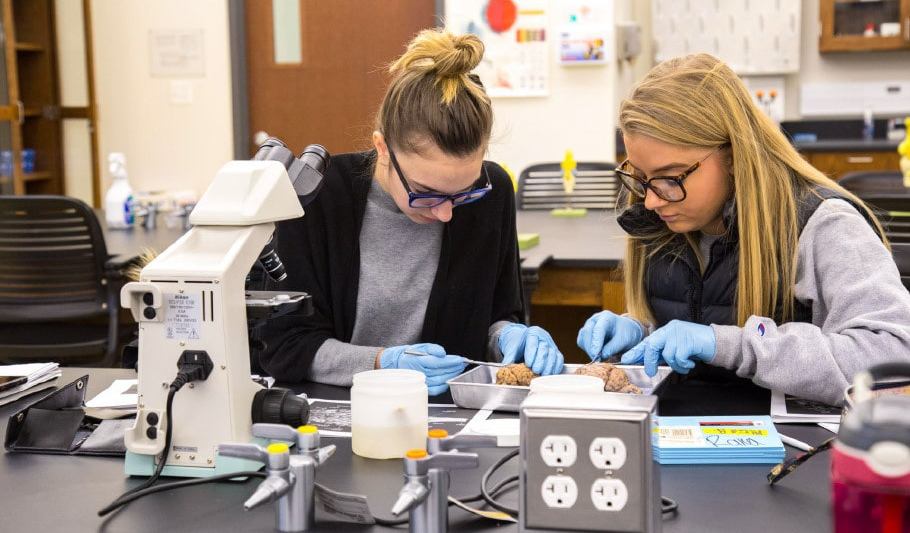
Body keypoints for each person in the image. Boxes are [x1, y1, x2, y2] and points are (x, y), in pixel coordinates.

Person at [577, 53, 910, 406]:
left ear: (733, 156)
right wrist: (640, 330)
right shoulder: (665, 216)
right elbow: (695, 318)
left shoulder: (823, 225)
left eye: (670, 178)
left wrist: (728, 345)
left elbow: (892, 359)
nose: (651, 202)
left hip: (793, 451)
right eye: (641, 179)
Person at [257, 28, 563, 395]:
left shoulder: (492, 193)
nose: (447, 213)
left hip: (450, 416)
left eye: (464, 192)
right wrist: (382, 363)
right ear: (383, 148)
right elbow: (285, 346)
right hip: (338, 410)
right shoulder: (318, 196)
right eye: (427, 193)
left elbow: (495, 319)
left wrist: (511, 337)